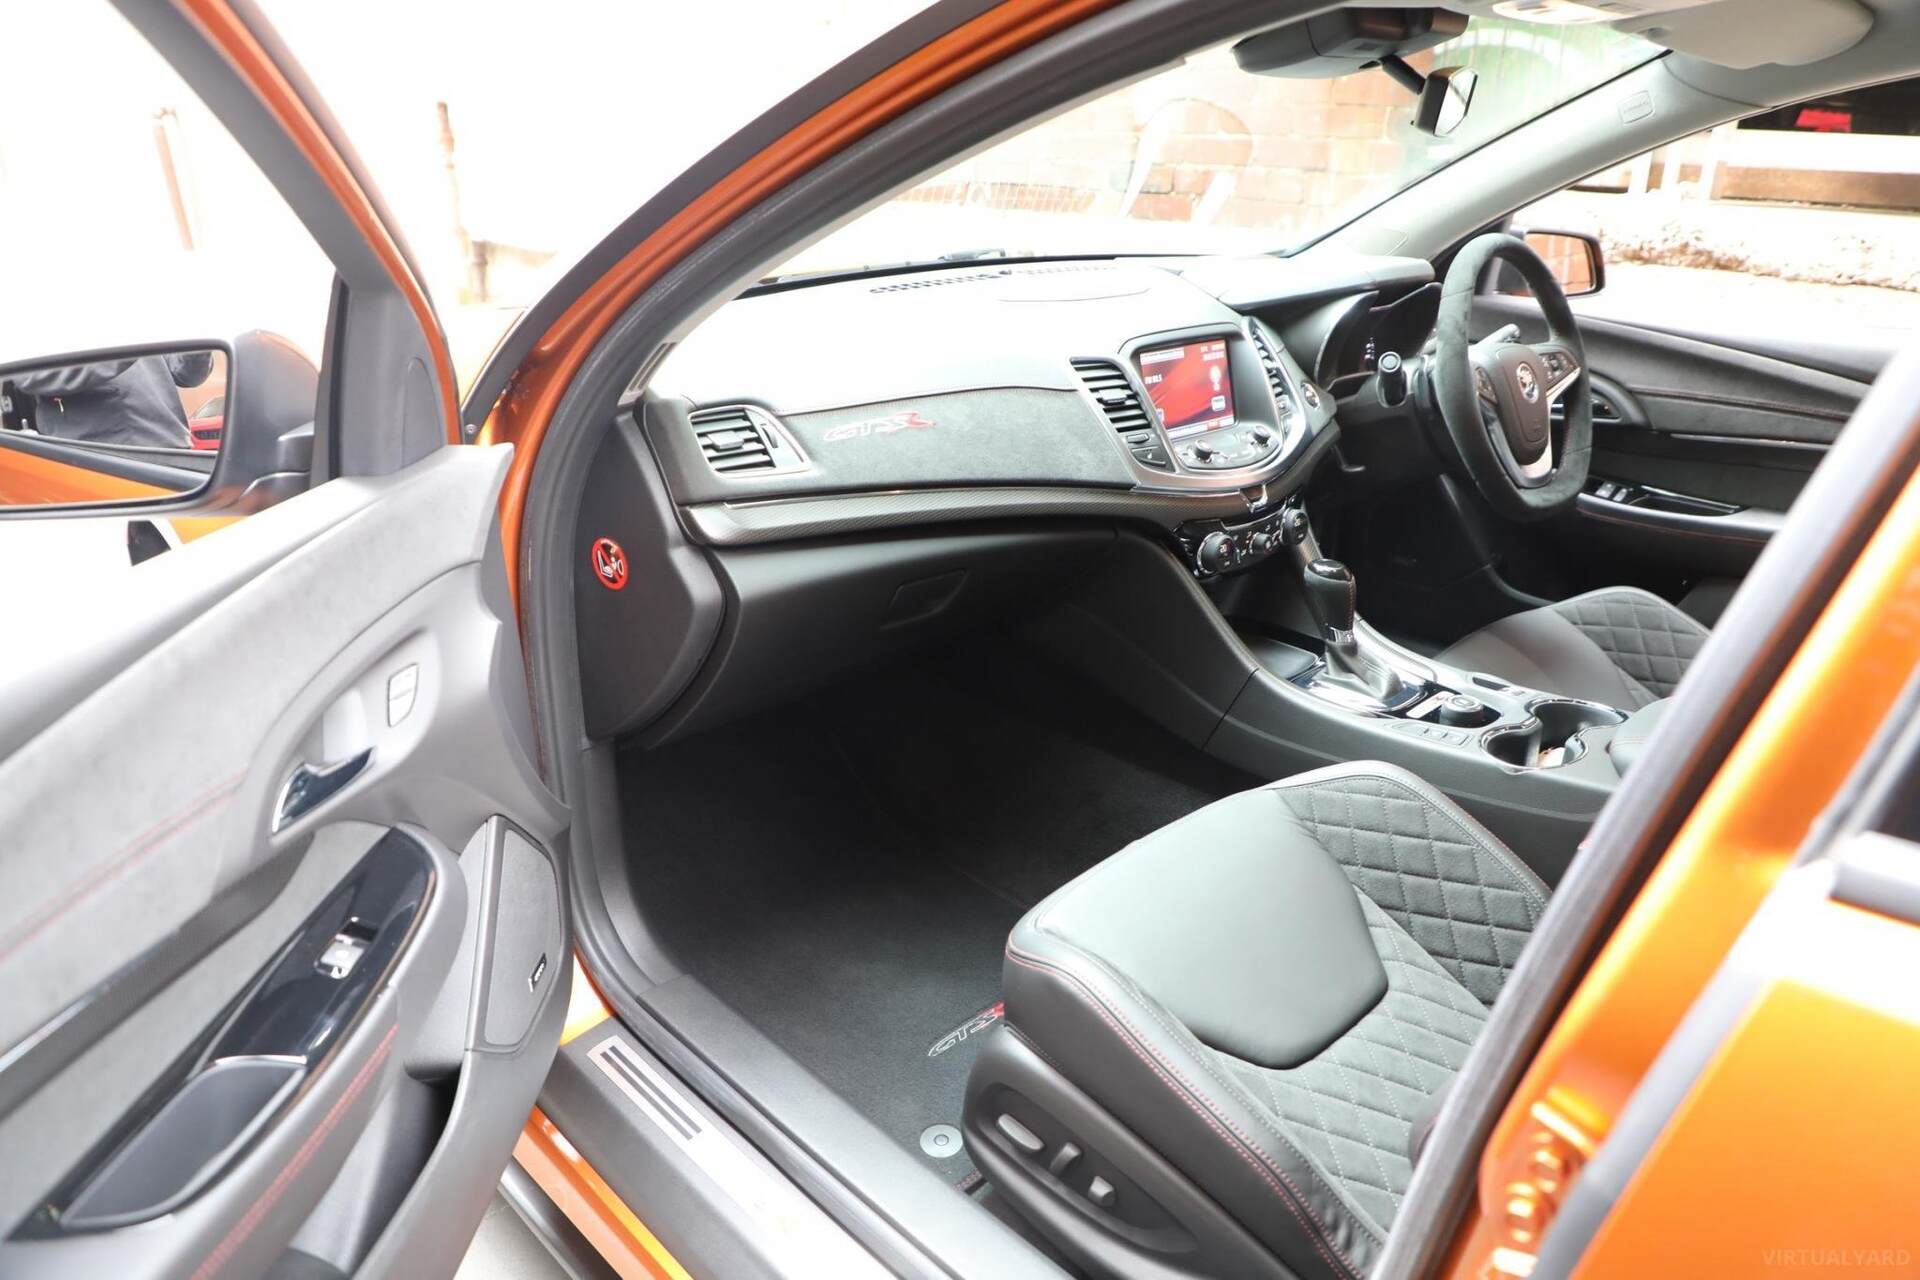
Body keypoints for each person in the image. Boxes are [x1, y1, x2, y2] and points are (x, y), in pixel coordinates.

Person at [11, 350, 213, 448]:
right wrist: (126, 350)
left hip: (175, 450)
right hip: (104, 464)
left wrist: (199, 348)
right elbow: (29, 376)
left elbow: (187, 375)